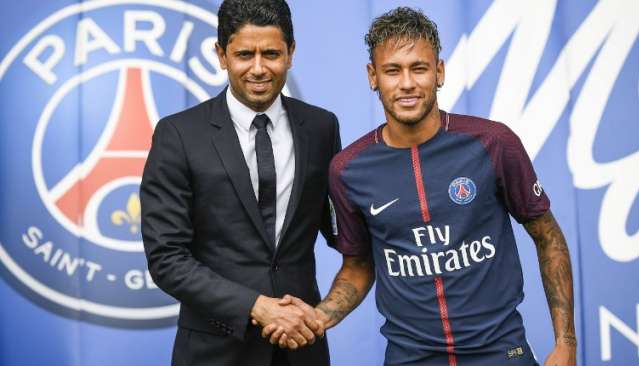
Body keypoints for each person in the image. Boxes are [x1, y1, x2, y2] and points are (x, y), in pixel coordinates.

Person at [264, 6, 576, 366]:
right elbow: (359, 265)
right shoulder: (348, 170)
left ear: (439, 72)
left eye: (419, 68)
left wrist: (565, 342)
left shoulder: (493, 142)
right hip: (411, 358)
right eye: (393, 70)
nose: (407, 83)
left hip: (500, 353)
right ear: (373, 76)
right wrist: (319, 317)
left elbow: (547, 235)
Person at [140, 0, 340, 365]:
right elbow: (166, 258)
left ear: (291, 53)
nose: (259, 68)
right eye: (245, 54)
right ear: (221, 54)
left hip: (302, 350)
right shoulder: (179, 134)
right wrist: (258, 307)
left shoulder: (322, 127)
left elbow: (343, 230)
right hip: (214, 351)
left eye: (272, 54)